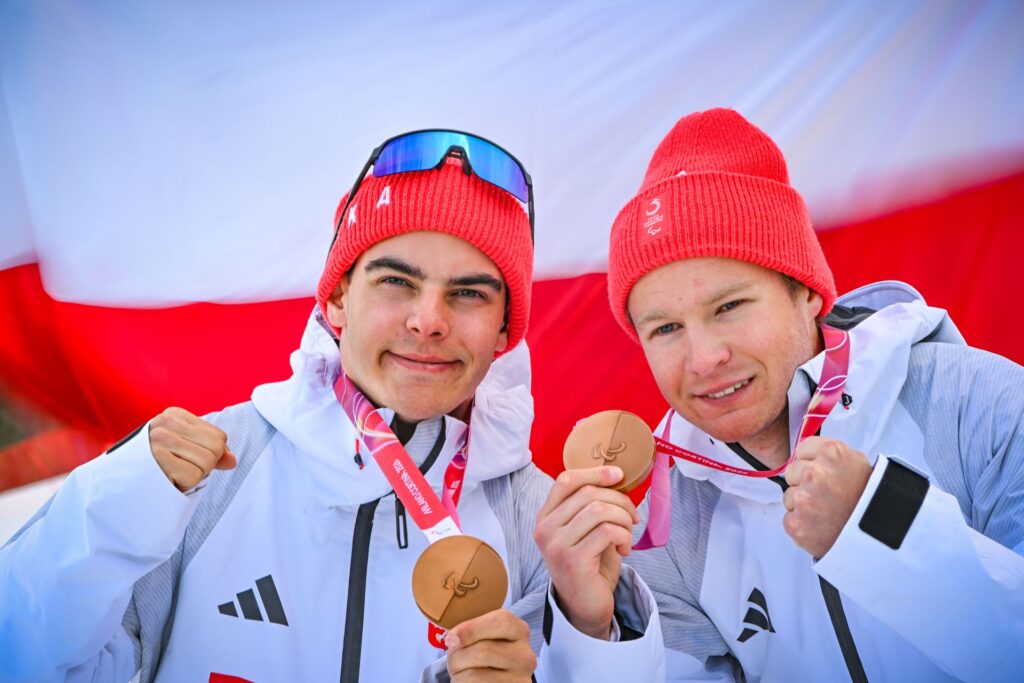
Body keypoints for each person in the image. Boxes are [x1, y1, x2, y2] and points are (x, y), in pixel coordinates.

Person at [0, 130, 622, 682]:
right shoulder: (201, 476)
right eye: (396, 281)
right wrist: (116, 502)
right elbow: (22, 655)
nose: (428, 321)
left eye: (467, 294)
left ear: (505, 332)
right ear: (336, 300)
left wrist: (590, 642)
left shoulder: (544, 525)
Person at [551, 108, 1024, 681]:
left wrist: (880, 522)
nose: (704, 360)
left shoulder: (979, 402)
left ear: (805, 293)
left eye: (729, 307)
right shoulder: (662, 519)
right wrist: (596, 634)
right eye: (665, 329)